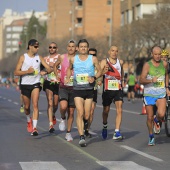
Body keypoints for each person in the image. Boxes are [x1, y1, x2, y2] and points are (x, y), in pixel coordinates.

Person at [66, 39, 101, 147]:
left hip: (89, 90)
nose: (83, 48)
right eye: (81, 46)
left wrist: (94, 77)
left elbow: (100, 71)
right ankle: (81, 137)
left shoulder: (93, 59)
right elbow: (69, 69)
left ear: (87, 48)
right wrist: (68, 77)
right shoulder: (73, 59)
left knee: (87, 114)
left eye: (85, 46)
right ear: (78, 48)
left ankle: (85, 124)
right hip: (77, 89)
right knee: (80, 113)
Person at [14, 39, 51, 136]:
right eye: (35, 46)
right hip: (25, 84)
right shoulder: (23, 57)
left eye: (38, 46)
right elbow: (16, 72)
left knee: (35, 104)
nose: (37, 48)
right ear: (30, 46)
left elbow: (49, 68)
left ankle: (35, 128)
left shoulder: (39, 57)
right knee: (27, 107)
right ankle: (28, 119)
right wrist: (27, 71)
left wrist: (45, 72)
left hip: (36, 83)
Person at [140, 45, 170, 146]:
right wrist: (150, 80)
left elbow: (166, 75)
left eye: (159, 54)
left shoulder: (164, 64)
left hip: (161, 93)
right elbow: (141, 79)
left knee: (161, 114)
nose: (157, 56)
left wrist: (166, 87)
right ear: (152, 54)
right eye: (155, 54)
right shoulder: (147, 65)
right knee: (149, 118)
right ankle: (151, 135)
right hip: (149, 93)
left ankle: (157, 120)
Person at [54, 40, 77, 141]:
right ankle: (62, 118)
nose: (71, 48)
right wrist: (57, 76)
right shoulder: (62, 57)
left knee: (71, 112)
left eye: (73, 46)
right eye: (69, 46)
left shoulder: (79, 59)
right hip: (63, 86)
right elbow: (55, 66)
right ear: (67, 48)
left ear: (76, 48)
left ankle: (68, 133)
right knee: (63, 106)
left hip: (75, 88)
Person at [100, 45, 124, 140]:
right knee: (106, 111)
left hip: (118, 89)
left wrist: (122, 80)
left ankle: (117, 131)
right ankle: (105, 125)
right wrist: (103, 71)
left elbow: (121, 73)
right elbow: (99, 73)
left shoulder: (120, 62)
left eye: (116, 51)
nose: (114, 53)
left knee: (120, 109)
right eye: (112, 51)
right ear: (109, 52)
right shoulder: (104, 62)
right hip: (107, 89)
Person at [41, 42, 60, 133]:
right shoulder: (45, 59)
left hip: (57, 82)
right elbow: (41, 69)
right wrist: (43, 72)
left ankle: (52, 114)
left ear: (57, 49)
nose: (52, 48)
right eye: (50, 47)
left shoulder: (60, 57)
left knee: (56, 104)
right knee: (50, 101)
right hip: (48, 82)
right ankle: (50, 125)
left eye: (54, 47)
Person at [83, 48, 102, 138]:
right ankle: (82, 125)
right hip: (82, 89)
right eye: (90, 54)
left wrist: (100, 80)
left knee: (92, 110)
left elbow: (100, 73)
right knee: (83, 111)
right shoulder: (83, 63)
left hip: (93, 89)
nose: (92, 56)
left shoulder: (97, 64)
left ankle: (87, 129)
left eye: (94, 55)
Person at [153, 49, 169, 134]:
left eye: (165, 57)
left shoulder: (168, 65)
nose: (163, 59)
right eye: (162, 57)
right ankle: (157, 118)